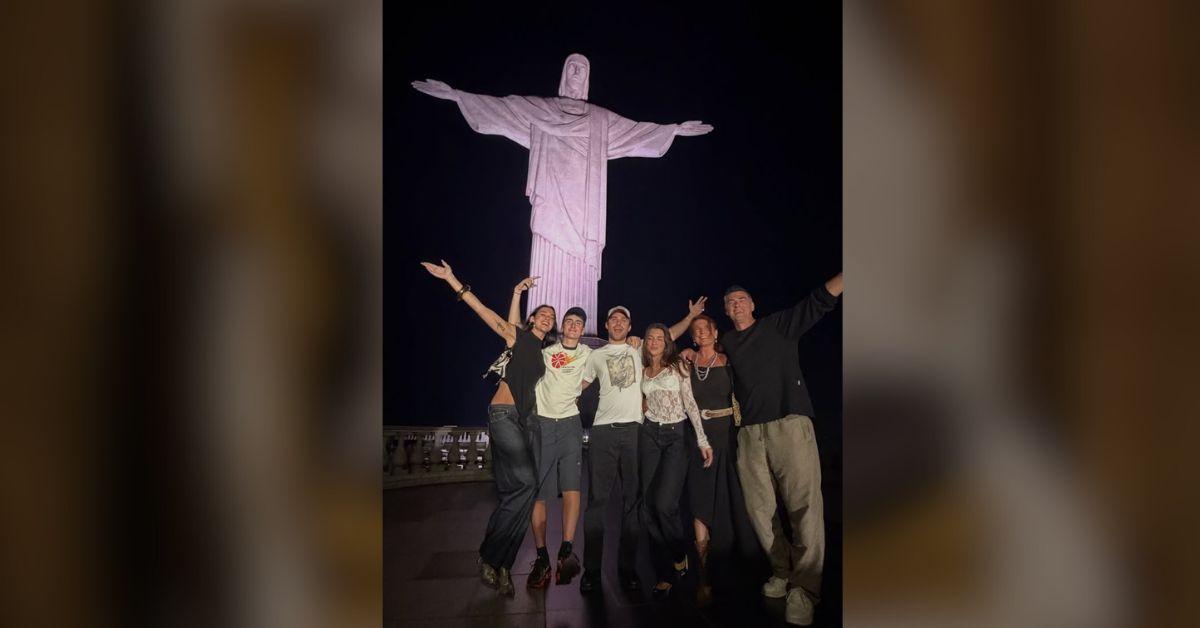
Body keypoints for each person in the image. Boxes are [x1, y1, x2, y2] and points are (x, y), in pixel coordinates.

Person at [411, 54, 713, 335]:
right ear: (563, 75)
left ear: (588, 79)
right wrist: (456, 95)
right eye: (572, 67)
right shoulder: (542, 109)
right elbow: (501, 108)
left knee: (581, 261)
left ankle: (585, 331)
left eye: (582, 69)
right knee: (546, 254)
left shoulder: (599, 119)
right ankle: (542, 328)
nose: (577, 73)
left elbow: (637, 132)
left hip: (584, 208)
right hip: (551, 200)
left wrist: (672, 130)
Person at [419, 260, 554, 597]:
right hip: (503, 415)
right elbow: (485, 311)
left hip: (523, 422)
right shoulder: (517, 336)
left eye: (552, 315)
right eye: (543, 312)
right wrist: (454, 280)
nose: (548, 317)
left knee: (519, 494)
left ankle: (501, 564)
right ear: (531, 318)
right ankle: (491, 555)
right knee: (526, 483)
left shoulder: (543, 352)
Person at [717, 274, 844, 626]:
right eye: (730, 302)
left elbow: (818, 300)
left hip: (789, 425)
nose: (736, 304)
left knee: (804, 507)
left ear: (753, 304)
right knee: (760, 511)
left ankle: (805, 588)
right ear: (726, 311)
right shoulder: (727, 341)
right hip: (749, 434)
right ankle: (782, 570)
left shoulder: (778, 326)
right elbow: (704, 353)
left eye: (742, 298)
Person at [639, 323, 713, 600]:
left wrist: (702, 440)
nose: (655, 341)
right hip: (649, 435)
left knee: (665, 505)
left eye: (660, 338)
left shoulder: (678, 366)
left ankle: (678, 551)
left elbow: (691, 403)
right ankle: (664, 574)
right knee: (647, 507)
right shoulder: (642, 370)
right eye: (651, 338)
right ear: (646, 343)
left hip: (676, 436)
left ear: (667, 342)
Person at [578, 306, 644, 593]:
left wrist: (691, 319)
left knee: (633, 503)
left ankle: (627, 568)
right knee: (597, 502)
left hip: (633, 432)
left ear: (630, 326)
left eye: (623, 320)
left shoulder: (639, 349)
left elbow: (667, 339)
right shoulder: (596, 355)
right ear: (606, 325)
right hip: (603, 431)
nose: (618, 323)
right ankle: (591, 571)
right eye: (613, 319)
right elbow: (577, 385)